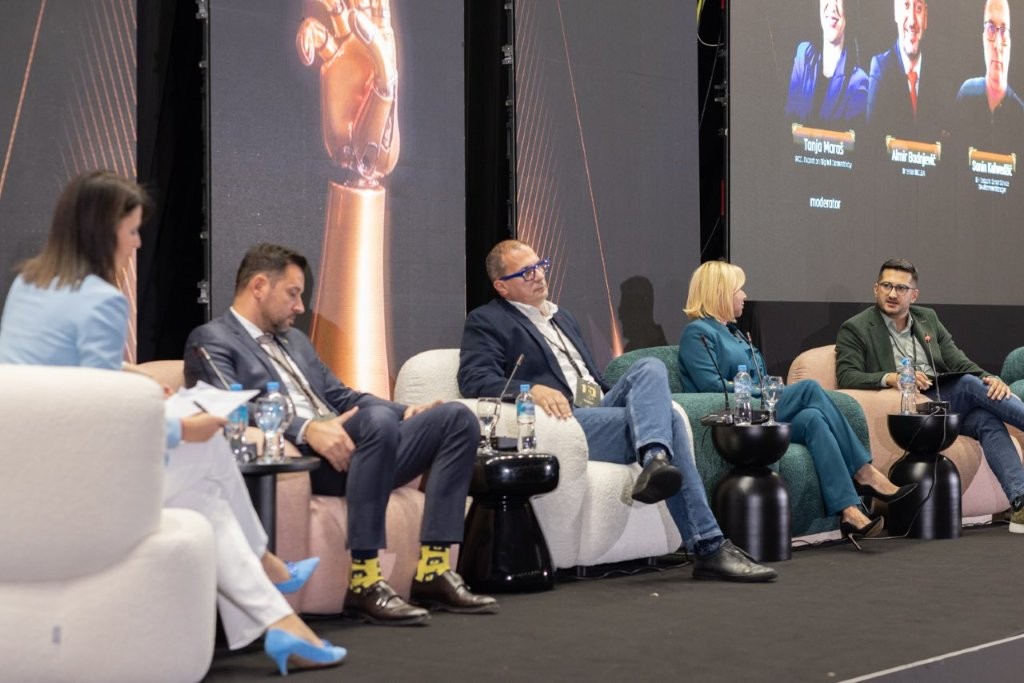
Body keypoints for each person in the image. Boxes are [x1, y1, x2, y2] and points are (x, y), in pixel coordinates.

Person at [0, 170, 345, 675]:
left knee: (204, 498)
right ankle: (268, 570)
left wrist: (132, 379)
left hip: (28, 464)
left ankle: (281, 623)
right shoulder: (102, 300)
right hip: (81, 478)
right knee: (206, 451)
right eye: (132, 230)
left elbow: (51, 376)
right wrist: (183, 429)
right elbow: (98, 415)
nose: (138, 243)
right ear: (102, 230)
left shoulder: (29, 285)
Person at [184, 243, 498, 625]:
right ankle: (364, 579)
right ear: (259, 286)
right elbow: (225, 406)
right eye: (293, 294)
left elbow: (341, 396)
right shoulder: (211, 339)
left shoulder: (296, 341)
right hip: (305, 460)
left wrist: (405, 411)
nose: (300, 307)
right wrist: (308, 429)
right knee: (376, 422)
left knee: (455, 418)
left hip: (361, 449)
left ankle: (433, 569)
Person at [458, 239, 777, 582]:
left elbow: (592, 380)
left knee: (650, 366)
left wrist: (626, 398)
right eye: (525, 272)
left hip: (599, 407)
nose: (538, 275)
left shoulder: (562, 317)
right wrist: (531, 390)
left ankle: (657, 461)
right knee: (669, 419)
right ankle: (706, 540)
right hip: (565, 419)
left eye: (540, 266)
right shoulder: (488, 320)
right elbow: (474, 378)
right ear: (502, 286)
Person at [678, 261, 915, 544]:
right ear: (719, 293)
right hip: (738, 417)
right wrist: (763, 390)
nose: (744, 296)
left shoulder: (735, 332)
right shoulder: (698, 333)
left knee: (814, 419)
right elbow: (712, 386)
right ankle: (864, 471)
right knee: (809, 389)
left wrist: (764, 388)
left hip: (761, 409)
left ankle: (850, 511)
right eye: (738, 289)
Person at [836, 257, 1024, 534]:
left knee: (986, 420)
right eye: (886, 286)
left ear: (914, 295)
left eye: (901, 288)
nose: (892, 293)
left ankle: (1020, 504)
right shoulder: (856, 327)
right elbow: (847, 376)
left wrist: (992, 379)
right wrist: (893, 377)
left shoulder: (928, 319)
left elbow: (958, 361)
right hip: (910, 408)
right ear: (876, 288)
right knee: (968, 385)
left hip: (942, 401)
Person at [785, 0, 868, 127]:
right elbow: (789, 121)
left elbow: (851, 138)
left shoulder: (858, 82)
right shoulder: (804, 55)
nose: (832, 7)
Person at [867, 0, 939, 141]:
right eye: (906, 5)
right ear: (896, 12)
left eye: (918, 8)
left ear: (925, 18)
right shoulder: (881, 69)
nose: (912, 21)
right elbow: (872, 142)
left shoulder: (939, 77)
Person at [954, 0, 1024, 139]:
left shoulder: (1020, 113)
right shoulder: (966, 94)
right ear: (983, 38)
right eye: (991, 29)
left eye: (1003, 31)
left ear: (1010, 42)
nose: (997, 45)